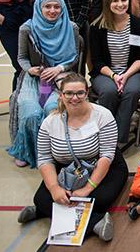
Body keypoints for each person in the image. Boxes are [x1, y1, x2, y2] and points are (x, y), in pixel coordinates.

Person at [16, 73, 128, 243]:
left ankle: (44, 211)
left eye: (79, 93)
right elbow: (45, 159)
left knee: (99, 199)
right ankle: (95, 222)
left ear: (87, 93)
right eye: (68, 93)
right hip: (67, 169)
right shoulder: (50, 122)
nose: (74, 98)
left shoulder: (103, 116)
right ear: (61, 95)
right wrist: (54, 188)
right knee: (43, 197)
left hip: (103, 166)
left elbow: (107, 155)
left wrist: (87, 188)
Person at [8, 0, 80, 168]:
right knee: (30, 112)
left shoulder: (71, 27)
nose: (52, 10)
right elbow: (21, 58)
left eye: (57, 7)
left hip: (62, 77)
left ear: (62, 8)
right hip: (34, 78)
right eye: (47, 6)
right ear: (39, 8)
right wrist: (31, 69)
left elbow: (74, 57)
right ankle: (27, 151)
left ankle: (58, 151)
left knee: (53, 108)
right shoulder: (27, 29)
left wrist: (58, 68)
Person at [89, 0, 140, 145]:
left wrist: (125, 76)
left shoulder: (138, 25)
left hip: (132, 72)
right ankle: (105, 131)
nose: (120, 4)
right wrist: (114, 76)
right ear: (108, 3)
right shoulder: (97, 27)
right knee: (109, 92)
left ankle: (118, 139)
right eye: (115, 1)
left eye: (124, 0)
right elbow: (97, 60)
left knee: (133, 91)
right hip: (105, 73)